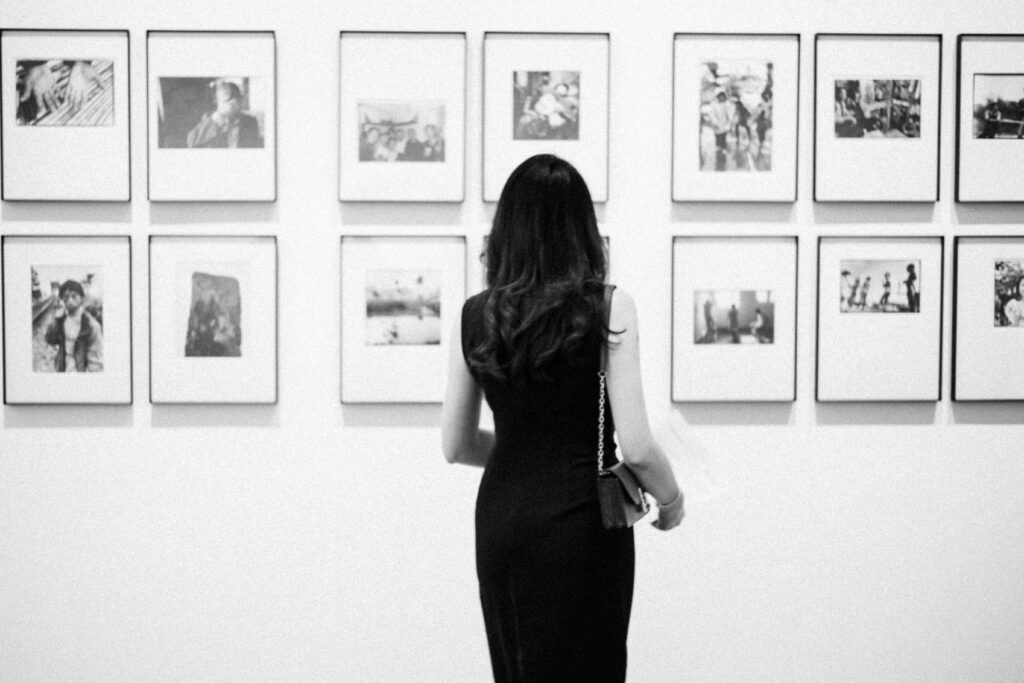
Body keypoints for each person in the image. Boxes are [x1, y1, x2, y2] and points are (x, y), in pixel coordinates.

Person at [441, 154, 683, 682]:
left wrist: (523, 451)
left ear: (507, 229)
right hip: (582, 524)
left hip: (502, 520)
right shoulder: (609, 308)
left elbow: (456, 445)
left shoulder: (476, 314)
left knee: (519, 669)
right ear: (582, 230)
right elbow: (637, 446)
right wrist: (672, 498)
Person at [43, 279, 103, 372]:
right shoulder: (62, 320)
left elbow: (95, 363)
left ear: (82, 298)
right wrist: (56, 319)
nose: (70, 301)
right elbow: (50, 340)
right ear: (62, 300)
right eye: (65, 297)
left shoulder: (92, 326)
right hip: (63, 369)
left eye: (74, 296)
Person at [186, 80, 263, 148]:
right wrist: (217, 118)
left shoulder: (250, 122)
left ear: (240, 100)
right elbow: (191, 142)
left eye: (236, 99)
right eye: (226, 101)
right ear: (217, 102)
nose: (232, 104)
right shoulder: (209, 119)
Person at [707, 89, 734, 170]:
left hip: (725, 124)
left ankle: (723, 150)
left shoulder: (727, 104)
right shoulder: (714, 104)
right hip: (717, 124)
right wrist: (716, 122)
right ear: (718, 97)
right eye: (720, 96)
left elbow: (730, 113)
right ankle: (718, 149)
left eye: (723, 96)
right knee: (718, 136)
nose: (721, 98)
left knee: (723, 137)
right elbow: (712, 114)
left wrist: (729, 122)